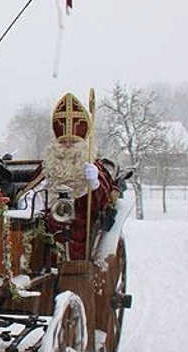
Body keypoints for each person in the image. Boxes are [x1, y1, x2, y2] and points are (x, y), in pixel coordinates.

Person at [18, 92, 118, 259]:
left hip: (78, 222)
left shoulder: (94, 167)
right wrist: (29, 201)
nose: (67, 146)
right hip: (45, 218)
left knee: (68, 239)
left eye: (73, 142)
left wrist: (94, 184)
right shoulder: (48, 166)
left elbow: (101, 207)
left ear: (82, 143)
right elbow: (33, 189)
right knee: (27, 235)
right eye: (63, 142)